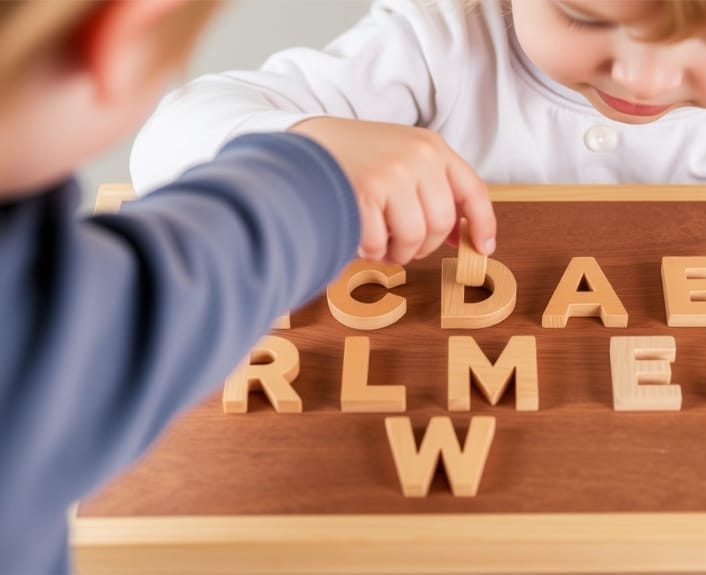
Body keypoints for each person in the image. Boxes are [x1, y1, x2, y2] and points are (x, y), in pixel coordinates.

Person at [0, 1, 496, 573]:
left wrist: (319, 169)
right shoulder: (51, 331)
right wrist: (319, 162)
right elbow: (209, 254)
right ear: (120, 38)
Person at [130, 0, 706, 195]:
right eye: (587, 17)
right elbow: (171, 141)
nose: (645, 80)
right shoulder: (440, 41)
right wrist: (313, 141)